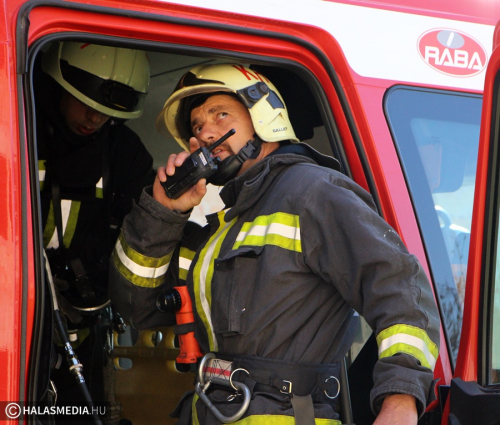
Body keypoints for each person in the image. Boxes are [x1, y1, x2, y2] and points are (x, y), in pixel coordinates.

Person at [109, 63, 440, 425]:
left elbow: (401, 291)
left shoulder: (315, 192)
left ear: (263, 117)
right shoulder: (222, 229)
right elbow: (138, 308)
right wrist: (163, 213)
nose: (206, 133)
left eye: (221, 115)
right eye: (197, 126)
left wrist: (400, 399)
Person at [35, 41, 155, 415]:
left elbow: (150, 230)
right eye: (85, 103)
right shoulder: (19, 130)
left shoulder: (124, 153)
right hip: (16, 325)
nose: (94, 118)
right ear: (59, 85)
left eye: (105, 112)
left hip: (83, 334)